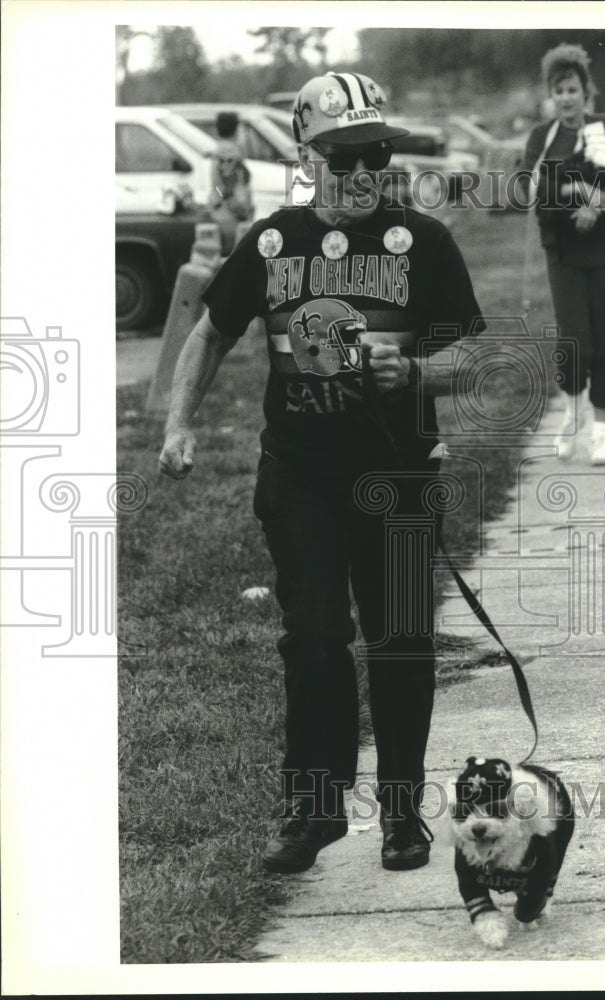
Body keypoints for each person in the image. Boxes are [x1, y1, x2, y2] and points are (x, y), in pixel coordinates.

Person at [158, 71, 486, 875]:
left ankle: (403, 814)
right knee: (311, 639)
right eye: (340, 156)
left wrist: (413, 374)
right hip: (300, 476)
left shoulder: (423, 242)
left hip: (400, 477)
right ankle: (312, 812)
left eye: (374, 152)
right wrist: (178, 424)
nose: (360, 170)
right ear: (307, 157)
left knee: (402, 642)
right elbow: (210, 332)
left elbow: (476, 359)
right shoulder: (272, 241)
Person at [520, 43, 605, 465]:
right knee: (576, 343)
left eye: (573, 89)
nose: (566, 98)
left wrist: (599, 205)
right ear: (550, 95)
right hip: (565, 256)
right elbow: (530, 191)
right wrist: (569, 193)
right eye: (559, 90)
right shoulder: (543, 138)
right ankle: (571, 418)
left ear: (585, 91)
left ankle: (601, 434)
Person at [209, 111, 254, 254]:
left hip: (222, 212)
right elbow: (228, 188)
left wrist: (218, 197)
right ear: (236, 130)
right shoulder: (230, 155)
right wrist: (239, 208)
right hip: (231, 215)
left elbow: (217, 187)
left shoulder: (218, 152)